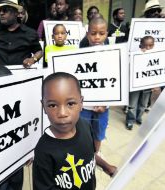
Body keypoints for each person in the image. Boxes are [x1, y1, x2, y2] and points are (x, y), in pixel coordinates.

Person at [33, 72, 116, 190]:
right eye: (52, 105)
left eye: (70, 103)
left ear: (81, 103)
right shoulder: (44, 151)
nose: (62, 113)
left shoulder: (85, 126)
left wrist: (106, 166)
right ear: (44, 106)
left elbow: (90, 154)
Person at [79, 17, 109, 152]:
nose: (97, 37)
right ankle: (85, 153)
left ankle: (96, 154)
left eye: (101, 33)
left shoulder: (112, 55)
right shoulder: (79, 55)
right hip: (84, 106)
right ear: (87, 34)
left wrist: (105, 102)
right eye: (93, 33)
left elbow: (114, 82)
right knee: (83, 132)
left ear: (106, 34)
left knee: (99, 132)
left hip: (103, 106)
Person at [0, 0, 42, 68]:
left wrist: (32, 59)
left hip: (22, 76)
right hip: (1, 74)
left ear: (16, 13)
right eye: (0, 11)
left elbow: (39, 51)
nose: (1, 13)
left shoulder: (29, 33)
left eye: (5, 10)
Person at [125, 36, 155, 130]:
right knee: (132, 104)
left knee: (143, 104)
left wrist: (155, 84)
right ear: (140, 45)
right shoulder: (134, 55)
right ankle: (130, 120)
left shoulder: (156, 56)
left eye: (150, 45)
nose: (148, 48)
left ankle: (139, 118)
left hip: (147, 85)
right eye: (145, 45)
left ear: (153, 45)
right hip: (135, 85)